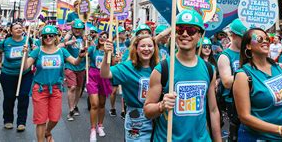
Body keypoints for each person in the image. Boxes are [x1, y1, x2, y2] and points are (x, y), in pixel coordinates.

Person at [144, 9, 221, 141]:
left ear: (200, 36)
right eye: (180, 30)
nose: (185, 34)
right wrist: (161, 105)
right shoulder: (162, 70)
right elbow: (147, 111)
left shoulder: (209, 69)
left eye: (191, 30)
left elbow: (213, 110)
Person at [233, 28, 282, 141]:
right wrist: (279, 129)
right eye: (260, 38)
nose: (265, 41)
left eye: (267, 38)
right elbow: (244, 117)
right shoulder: (243, 75)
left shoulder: (277, 68)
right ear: (248, 46)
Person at [22, 25, 86, 142]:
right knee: (40, 120)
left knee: (55, 118)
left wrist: (80, 57)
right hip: (40, 89)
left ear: (56, 37)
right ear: (42, 37)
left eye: (51, 35)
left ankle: (47, 132)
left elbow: (75, 62)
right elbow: (25, 67)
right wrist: (25, 53)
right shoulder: (38, 51)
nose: (48, 38)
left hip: (56, 89)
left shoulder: (62, 51)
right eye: (45, 36)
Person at [100, 29, 159, 141]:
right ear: (136, 49)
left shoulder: (160, 67)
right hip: (137, 119)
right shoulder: (127, 67)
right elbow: (105, 73)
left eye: (150, 46)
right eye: (143, 46)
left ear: (154, 49)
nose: (146, 49)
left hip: (157, 117)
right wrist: (106, 55)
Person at [0, 23, 34, 131]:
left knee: (23, 96)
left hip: (25, 74)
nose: (19, 29)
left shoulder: (28, 40)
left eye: (20, 28)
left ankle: (21, 122)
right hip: (8, 74)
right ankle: (8, 120)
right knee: (9, 97)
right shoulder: (6, 42)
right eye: (16, 28)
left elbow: (36, 50)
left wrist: (34, 48)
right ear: (11, 31)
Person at [217, 18, 247, 141]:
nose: (246, 41)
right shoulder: (225, 56)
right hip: (232, 101)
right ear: (234, 36)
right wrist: (248, 76)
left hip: (248, 97)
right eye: (243, 38)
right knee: (236, 133)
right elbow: (227, 82)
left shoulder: (247, 53)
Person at [86, 30, 113, 141]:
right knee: (94, 104)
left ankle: (100, 125)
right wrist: (85, 47)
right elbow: (84, 54)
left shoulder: (110, 50)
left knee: (102, 104)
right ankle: (92, 129)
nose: (102, 38)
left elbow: (114, 63)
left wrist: (117, 58)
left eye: (105, 37)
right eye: (100, 36)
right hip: (93, 77)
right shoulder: (93, 49)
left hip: (104, 78)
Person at [61, 19, 87, 121]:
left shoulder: (85, 37)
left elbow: (93, 46)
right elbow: (61, 44)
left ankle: (75, 105)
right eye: (75, 28)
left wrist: (87, 40)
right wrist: (68, 41)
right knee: (72, 87)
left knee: (79, 87)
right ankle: (71, 109)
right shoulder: (69, 36)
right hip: (70, 65)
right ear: (72, 28)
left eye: (79, 29)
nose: (77, 31)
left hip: (81, 66)